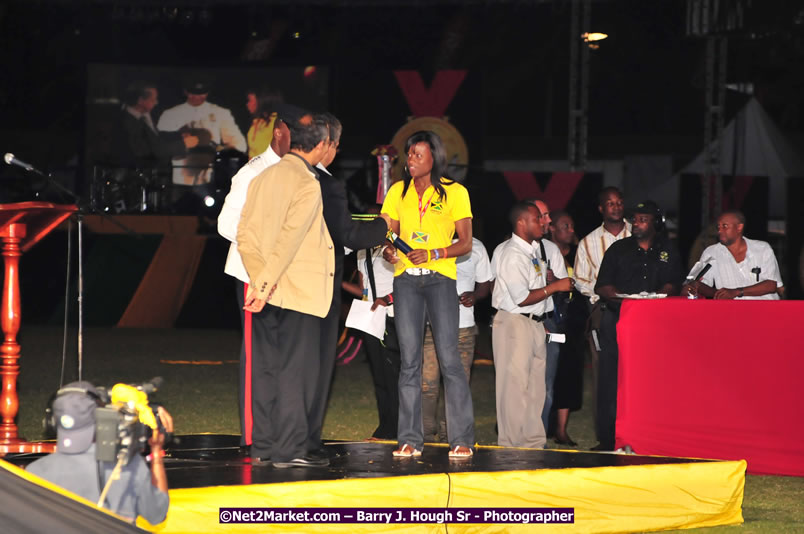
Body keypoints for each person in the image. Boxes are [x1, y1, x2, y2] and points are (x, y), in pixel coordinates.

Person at [236, 113, 333, 468]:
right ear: (320, 145)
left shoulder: (262, 177)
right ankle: (290, 450)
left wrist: (260, 282)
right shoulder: (307, 182)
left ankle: (263, 445)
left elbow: (244, 235)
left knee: (266, 368)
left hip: (265, 289)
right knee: (295, 371)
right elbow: (290, 240)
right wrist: (266, 283)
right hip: (296, 291)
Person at [380, 130, 475, 459]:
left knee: (450, 360)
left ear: (435, 158)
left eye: (418, 155)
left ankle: (461, 439)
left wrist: (434, 253)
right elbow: (387, 232)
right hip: (406, 282)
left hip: (440, 280)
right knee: (409, 362)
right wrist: (387, 250)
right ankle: (409, 439)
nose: (411, 160)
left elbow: (466, 243)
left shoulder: (455, 192)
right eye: (409, 154)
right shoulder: (397, 191)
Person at [216, 103, 304, 449]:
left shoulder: (300, 171)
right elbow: (226, 224)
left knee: (285, 356)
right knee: (258, 357)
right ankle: (254, 436)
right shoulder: (252, 172)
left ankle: (280, 430)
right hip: (254, 275)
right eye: (297, 134)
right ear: (279, 132)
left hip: (289, 277)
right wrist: (265, 255)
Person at [306, 113, 389, 460]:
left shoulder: (277, 174)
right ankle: (304, 442)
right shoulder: (324, 184)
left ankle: (284, 440)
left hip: (287, 290)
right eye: (336, 146)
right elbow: (348, 236)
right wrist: (385, 226)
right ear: (326, 144)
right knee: (317, 369)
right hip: (324, 296)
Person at [593, 200, 682, 451]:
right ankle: (608, 439)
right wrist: (624, 299)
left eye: (643, 219)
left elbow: (674, 283)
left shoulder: (668, 250)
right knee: (611, 379)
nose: (636, 223)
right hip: (618, 321)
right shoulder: (618, 249)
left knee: (651, 381)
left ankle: (648, 436)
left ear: (656, 223)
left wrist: (657, 296)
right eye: (634, 219)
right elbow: (602, 286)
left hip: (654, 326)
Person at [26, 382, 172, 525]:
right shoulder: (126, 466)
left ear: (51, 422)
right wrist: (156, 452)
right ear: (102, 420)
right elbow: (157, 513)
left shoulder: (33, 473)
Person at [490, 202, 574, 448]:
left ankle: (533, 444)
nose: (544, 223)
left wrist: (541, 318)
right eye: (537, 219)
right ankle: (511, 446)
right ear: (521, 223)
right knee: (514, 389)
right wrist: (555, 287)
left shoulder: (534, 249)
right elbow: (522, 298)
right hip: (514, 323)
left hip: (535, 324)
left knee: (536, 388)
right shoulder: (511, 253)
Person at [421, 236, 492, 443]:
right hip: (431, 325)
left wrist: (475, 296)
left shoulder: (476, 245)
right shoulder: (432, 238)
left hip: (464, 327)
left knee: (458, 384)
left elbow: (485, 285)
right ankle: (425, 434)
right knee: (427, 383)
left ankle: (450, 435)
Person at [341, 208, 400, 440]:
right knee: (379, 375)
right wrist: (339, 284)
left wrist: (389, 298)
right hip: (371, 316)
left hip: (393, 314)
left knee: (394, 373)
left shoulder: (395, 248)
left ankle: (399, 426)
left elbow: (407, 281)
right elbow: (364, 289)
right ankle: (385, 426)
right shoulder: (362, 251)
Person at [157, 80, 247, 185]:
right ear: (186, 92)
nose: (197, 97)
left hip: (210, 175)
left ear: (207, 93)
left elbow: (240, 144)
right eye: (193, 93)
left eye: (201, 94)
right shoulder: (170, 114)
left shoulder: (220, 113)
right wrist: (182, 142)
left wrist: (221, 150)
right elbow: (160, 146)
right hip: (178, 176)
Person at [682, 210, 783, 300]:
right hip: (732, 311)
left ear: (739, 227)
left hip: (764, 309)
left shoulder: (762, 248)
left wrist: (736, 292)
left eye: (725, 226)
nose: (719, 231)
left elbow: (771, 285)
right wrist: (697, 286)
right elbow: (699, 284)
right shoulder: (711, 252)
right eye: (718, 227)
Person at [548, 211, 586, 447]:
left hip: (573, 321)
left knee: (569, 373)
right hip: (549, 319)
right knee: (545, 373)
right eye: (565, 226)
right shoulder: (542, 252)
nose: (571, 230)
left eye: (572, 226)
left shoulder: (579, 254)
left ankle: (561, 430)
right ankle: (542, 424)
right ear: (552, 228)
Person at [116, 81, 193, 169]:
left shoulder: (148, 113)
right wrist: (183, 144)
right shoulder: (127, 123)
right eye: (153, 99)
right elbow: (148, 152)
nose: (156, 102)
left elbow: (156, 137)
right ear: (140, 101)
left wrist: (179, 136)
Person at [574, 187, 632, 304]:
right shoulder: (587, 242)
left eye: (619, 203)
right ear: (601, 208)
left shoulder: (636, 233)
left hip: (635, 303)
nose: (616, 207)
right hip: (603, 305)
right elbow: (579, 279)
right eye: (610, 204)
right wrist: (603, 290)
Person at [245, 89, 283, 159]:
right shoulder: (256, 122)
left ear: (260, 102)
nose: (247, 104)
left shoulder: (276, 122)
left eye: (250, 100)